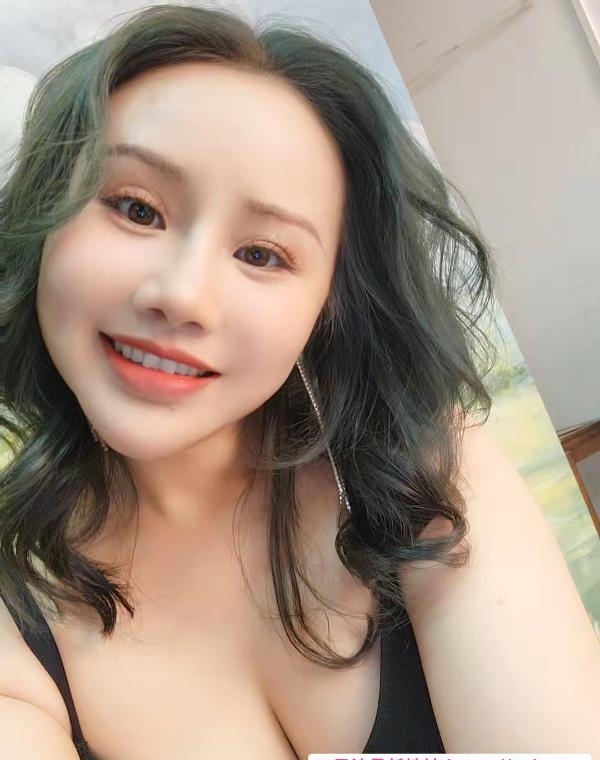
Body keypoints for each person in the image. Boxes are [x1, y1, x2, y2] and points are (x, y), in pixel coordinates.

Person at [1, 4, 598, 759]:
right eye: (135, 208)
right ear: (44, 222)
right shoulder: (16, 619)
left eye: (262, 255)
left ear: (327, 306)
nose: (182, 296)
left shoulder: (425, 471)